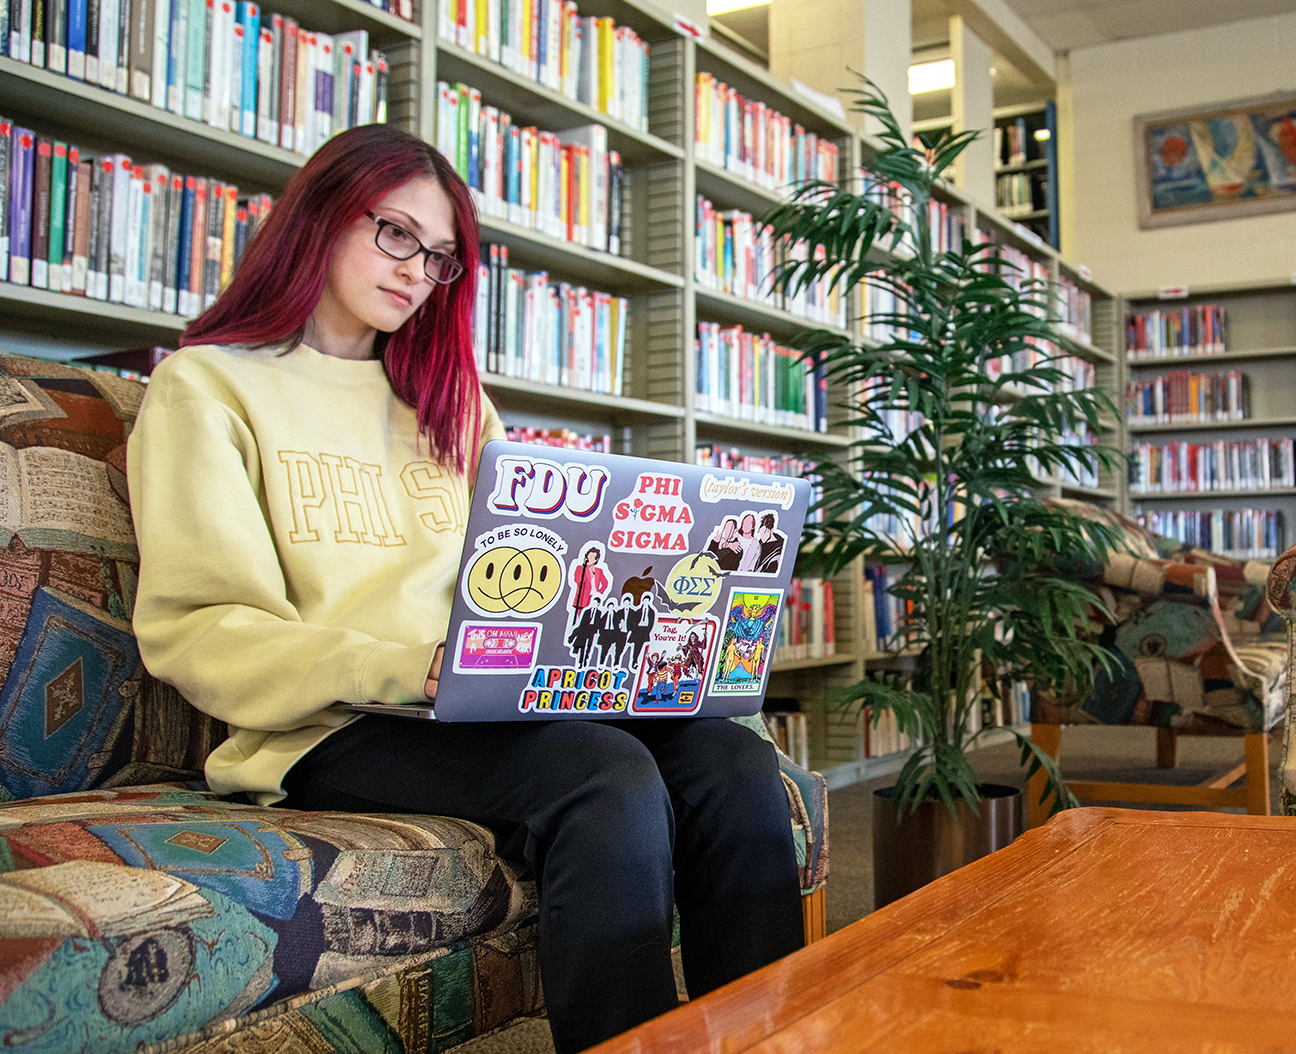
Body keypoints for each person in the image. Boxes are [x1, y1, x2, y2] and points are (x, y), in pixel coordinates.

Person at [126, 124, 804, 1054]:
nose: (415, 270)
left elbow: (524, 573)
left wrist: (622, 641)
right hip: (333, 722)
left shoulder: (449, 399)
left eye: (440, 256)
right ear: (319, 216)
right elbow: (200, 628)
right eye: (395, 233)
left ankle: (777, 1035)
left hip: (482, 696)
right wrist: (411, 666)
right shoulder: (208, 388)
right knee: (607, 780)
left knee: (731, 761)